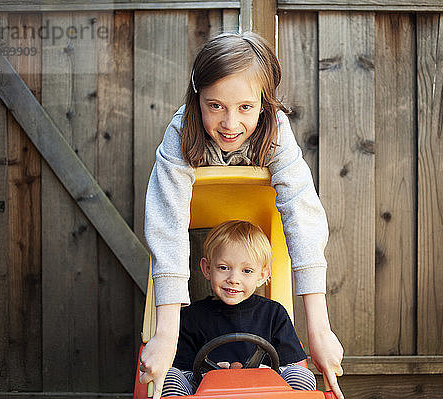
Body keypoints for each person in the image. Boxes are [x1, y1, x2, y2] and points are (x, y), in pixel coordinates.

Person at [139, 31, 344, 399]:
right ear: (196, 97)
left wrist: (319, 329)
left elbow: (302, 215)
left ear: (264, 104)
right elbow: (167, 223)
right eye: (215, 105)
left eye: (245, 107)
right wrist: (166, 334)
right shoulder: (181, 133)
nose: (231, 123)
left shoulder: (277, 132)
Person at [160, 220, 317, 396]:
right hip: (208, 391)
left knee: (303, 375)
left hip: (264, 392)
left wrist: (262, 371)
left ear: (262, 276)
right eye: (223, 267)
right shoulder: (191, 316)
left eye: (247, 271)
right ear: (207, 269)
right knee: (170, 375)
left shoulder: (273, 313)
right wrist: (209, 374)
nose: (233, 278)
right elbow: (183, 369)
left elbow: (293, 365)